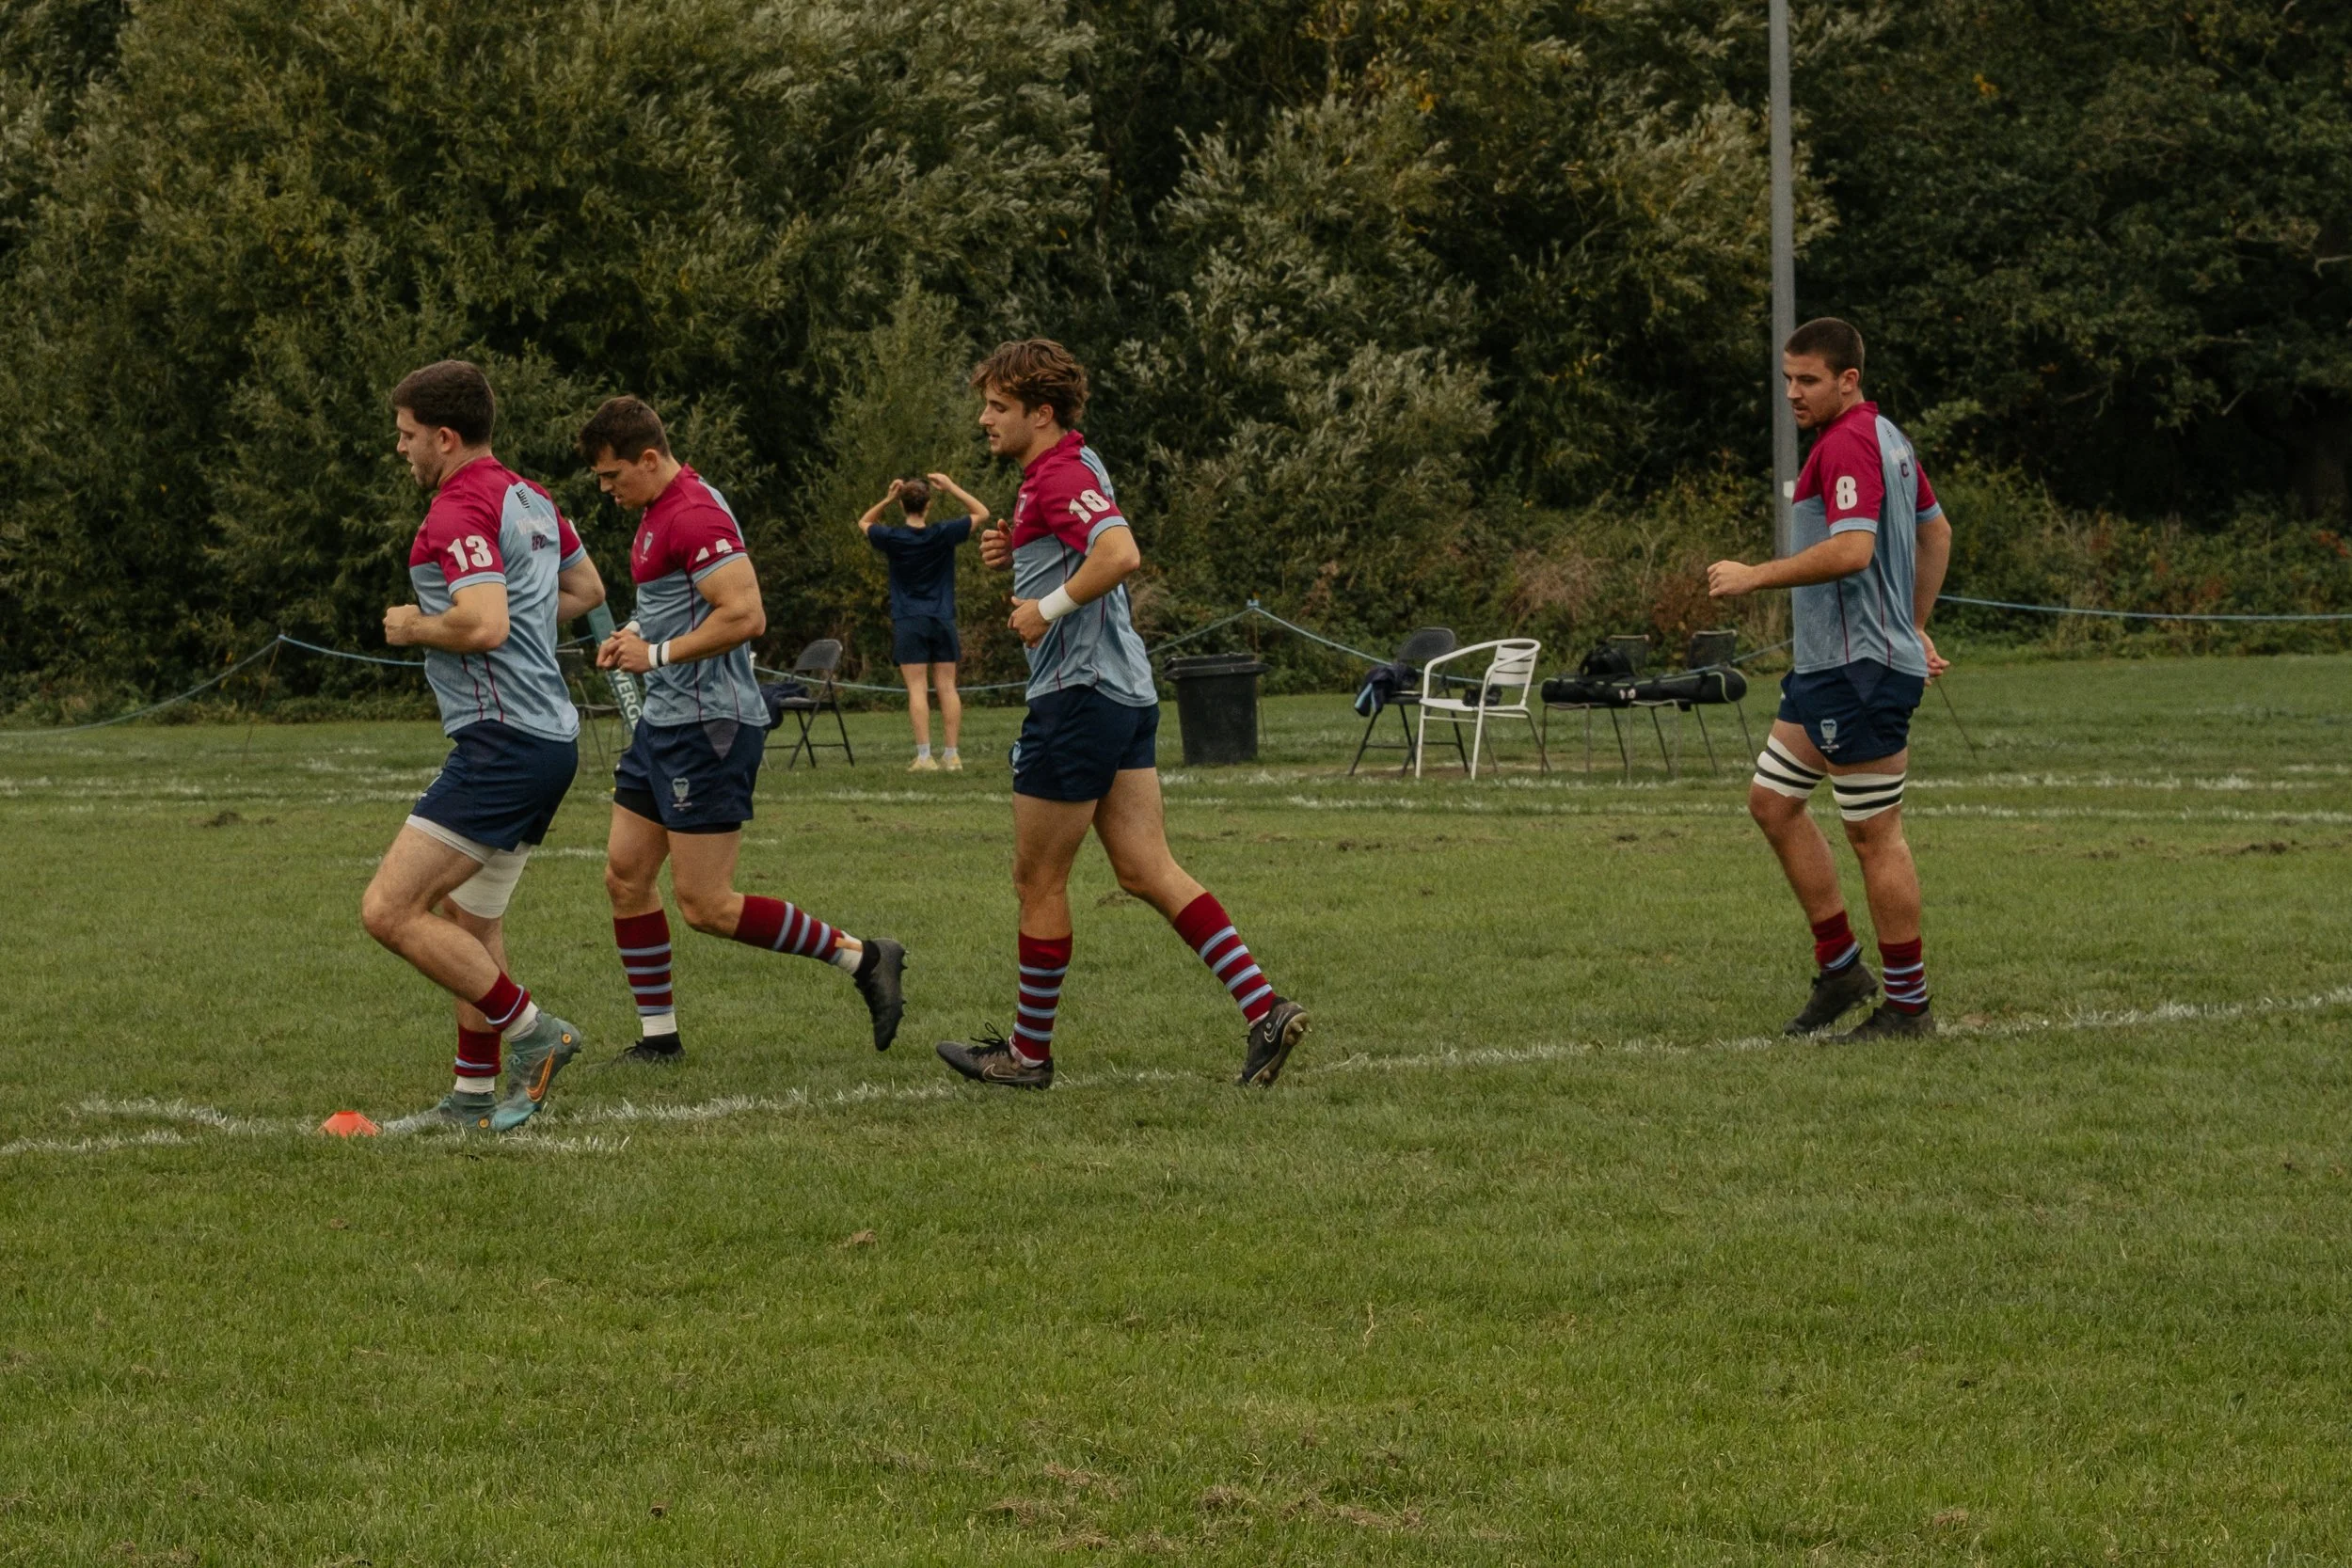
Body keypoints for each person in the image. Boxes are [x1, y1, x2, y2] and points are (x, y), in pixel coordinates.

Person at [934, 339, 1310, 1089]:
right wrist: (1026, 553)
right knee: (1145, 868)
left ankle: (1027, 1057)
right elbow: (1085, 545)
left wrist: (1044, 604)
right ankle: (1265, 1008)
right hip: (1124, 694)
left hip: (1078, 698)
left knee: (1037, 879)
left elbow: (1119, 553)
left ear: (1041, 413)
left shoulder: (1061, 470)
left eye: (998, 407)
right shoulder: (1070, 462)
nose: (984, 419)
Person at [583, 395, 905, 1066]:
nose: (609, 492)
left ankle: (864, 956)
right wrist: (636, 633)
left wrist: (658, 655)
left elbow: (746, 613)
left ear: (648, 458)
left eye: (613, 477)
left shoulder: (694, 512)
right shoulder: (658, 510)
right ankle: (659, 1038)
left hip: (708, 724)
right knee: (624, 875)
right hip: (665, 720)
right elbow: (674, 601)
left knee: (705, 904)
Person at [359, 359, 608, 1132]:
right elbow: (587, 591)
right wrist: (521, 629)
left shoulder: (456, 509)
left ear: (444, 435)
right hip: (547, 738)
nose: (400, 449)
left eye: (406, 436)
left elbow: (484, 622)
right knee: (474, 919)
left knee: (391, 909)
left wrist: (411, 626)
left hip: (502, 744)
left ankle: (535, 1032)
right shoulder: (532, 497)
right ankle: (471, 1097)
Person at [1707, 317, 1952, 1040]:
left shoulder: (1848, 442)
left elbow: (1851, 550)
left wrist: (1757, 576)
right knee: (1773, 803)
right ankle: (1842, 968)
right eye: (1787, 378)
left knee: (1876, 836)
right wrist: (1912, 621)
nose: (1793, 392)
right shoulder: (1889, 439)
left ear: (1849, 379)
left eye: (1808, 379)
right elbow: (1936, 531)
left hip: (1859, 673)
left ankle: (1908, 1005)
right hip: (1831, 667)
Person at [856, 473, 987, 771]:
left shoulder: (892, 537)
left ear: (903, 506)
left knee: (917, 689)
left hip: (909, 618)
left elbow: (864, 522)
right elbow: (981, 512)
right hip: (941, 617)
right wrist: (952, 486)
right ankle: (952, 755)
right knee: (948, 687)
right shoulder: (943, 533)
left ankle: (925, 756)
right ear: (928, 505)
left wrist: (887, 499)